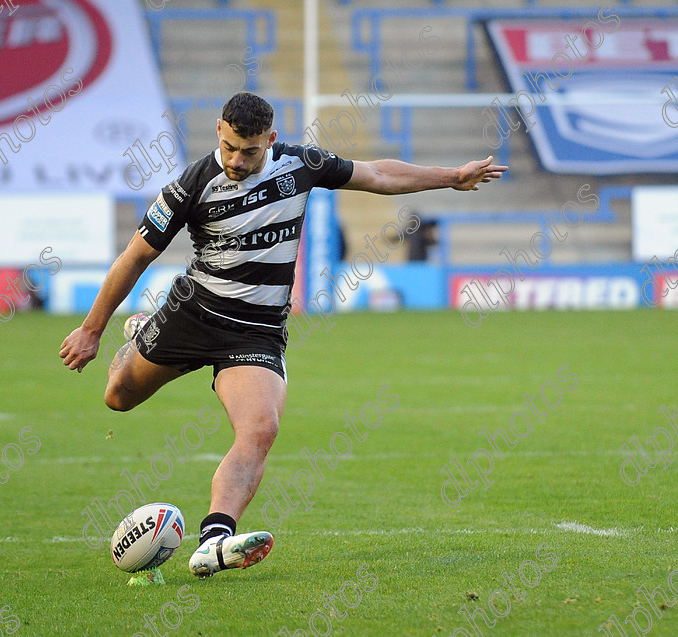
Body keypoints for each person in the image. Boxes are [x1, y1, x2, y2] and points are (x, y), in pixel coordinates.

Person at [59, 91, 507, 578]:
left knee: (260, 429)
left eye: (248, 151)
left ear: (270, 140)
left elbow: (377, 174)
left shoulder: (301, 165)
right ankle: (141, 334)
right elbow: (135, 256)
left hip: (257, 330)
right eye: (229, 147)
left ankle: (214, 540)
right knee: (117, 398)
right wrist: (91, 329)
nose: (236, 159)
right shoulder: (190, 186)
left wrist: (452, 177)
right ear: (218, 131)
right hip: (195, 313)